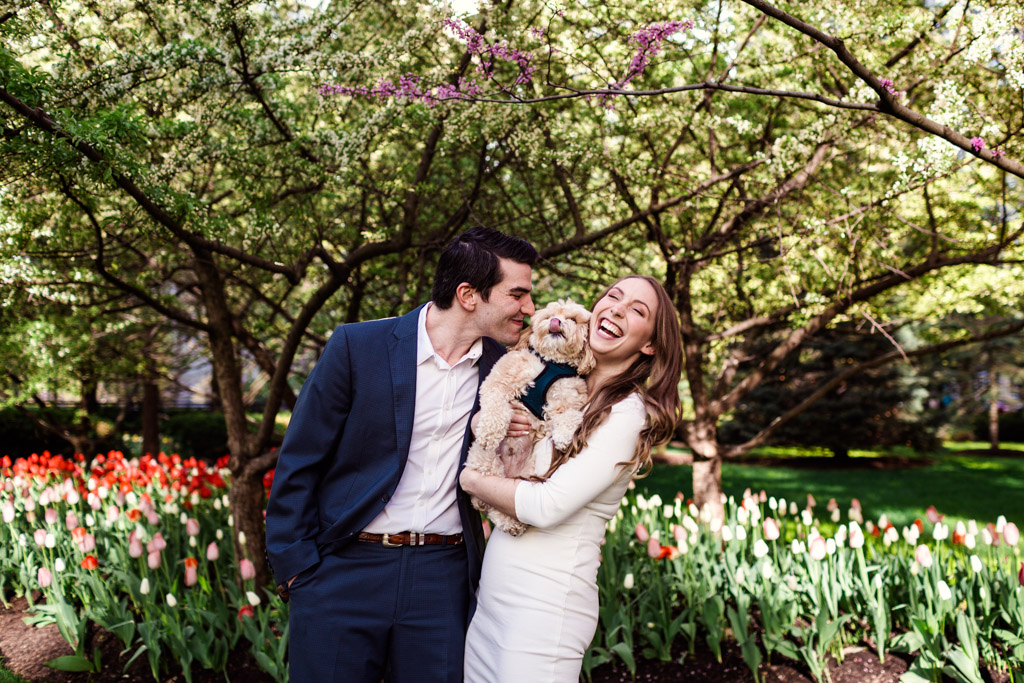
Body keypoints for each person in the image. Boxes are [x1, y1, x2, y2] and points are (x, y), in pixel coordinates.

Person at [264, 227, 538, 682]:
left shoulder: (507, 370)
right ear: (469, 294)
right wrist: (299, 571)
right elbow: (299, 460)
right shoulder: (357, 347)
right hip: (342, 572)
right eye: (518, 295)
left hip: (443, 580)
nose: (529, 308)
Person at [459, 274, 683, 683]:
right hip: (495, 604)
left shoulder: (626, 414)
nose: (617, 308)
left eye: (637, 310)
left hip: (544, 612)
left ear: (649, 343)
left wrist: (471, 480)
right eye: (613, 297)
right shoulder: (565, 386)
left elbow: (545, 506)